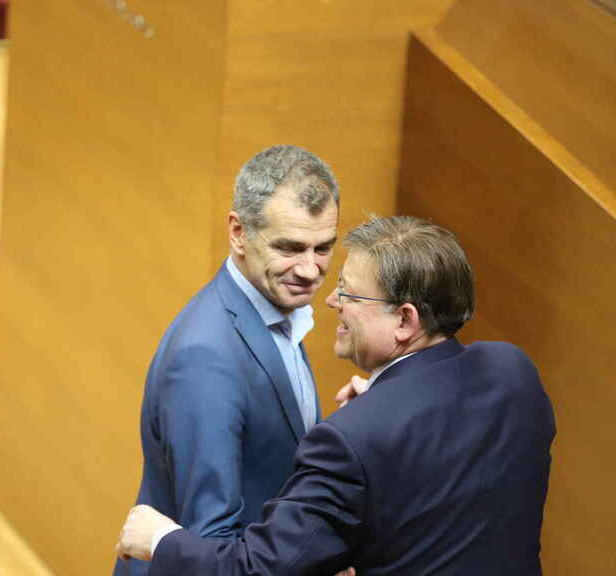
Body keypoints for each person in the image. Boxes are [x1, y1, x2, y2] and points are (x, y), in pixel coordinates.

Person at [116, 215, 556, 575]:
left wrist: (161, 540)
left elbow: (260, 569)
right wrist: (384, 404)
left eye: (348, 292)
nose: (332, 303)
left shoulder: (352, 440)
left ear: (404, 320)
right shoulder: (513, 373)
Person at [114, 145, 341, 575]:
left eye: (323, 248)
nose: (310, 270)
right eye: (290, 247)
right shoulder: (206, 358)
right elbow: (208, 538)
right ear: (238, 233)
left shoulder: (278, 311)